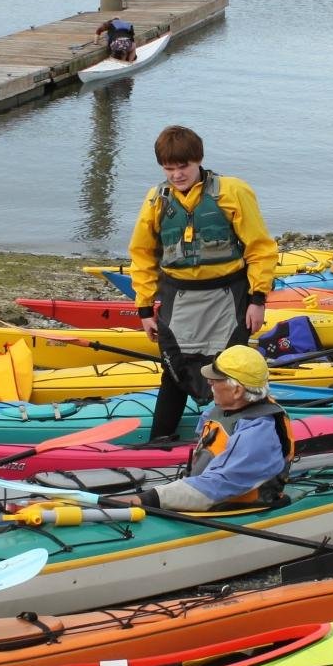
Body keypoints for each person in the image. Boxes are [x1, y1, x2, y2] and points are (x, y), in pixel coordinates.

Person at [127, 125, 279, 444]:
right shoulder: (157, 199)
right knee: (173, 372)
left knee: (229, 369)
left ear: (198, 160)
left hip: (229, 296)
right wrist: (144, 309)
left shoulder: (232, 191)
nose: (177, 175)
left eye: (183, 167)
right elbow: (141, 255)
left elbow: (260, 248)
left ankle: (240, 437)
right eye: (169, 169)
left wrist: (258, 299)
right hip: (178, 297)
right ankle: (160, 440)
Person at [108, 345, 293, 511]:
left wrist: (148, 499)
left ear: (237, 390)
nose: (209, 382)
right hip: (208, 493)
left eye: (216, 379)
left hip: (235, 506)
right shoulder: (222, 410)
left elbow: (217, 486)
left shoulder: (258, 433)